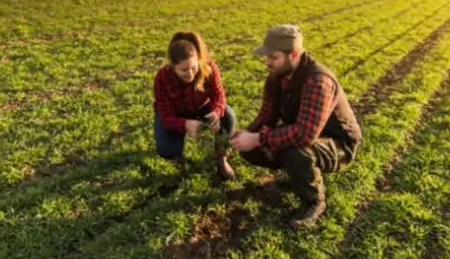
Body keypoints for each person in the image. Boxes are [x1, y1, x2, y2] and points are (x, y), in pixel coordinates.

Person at [230, 24, 362, 228]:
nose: (267, 63)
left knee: (295, 150)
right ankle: (296, 176)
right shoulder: (276, 78)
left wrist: (258, 138)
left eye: (273, 57)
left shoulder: (318, 81)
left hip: (338, 144)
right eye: (267, 57)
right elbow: (266, 115)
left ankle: (314, 202)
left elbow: (304, 134)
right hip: (304, 135)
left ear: (292, 55)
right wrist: (245, 134)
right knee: (252, 149)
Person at [153, 30, 237, 179]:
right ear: (173, 65)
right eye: (184, 70)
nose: (190, 74)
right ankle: (177, 160)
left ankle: (221, 158)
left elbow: (219, 94)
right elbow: (166, 116)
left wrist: (216, 112)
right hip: (176, 113)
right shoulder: (162, 78)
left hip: (202, 107)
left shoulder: (209, 66)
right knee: (167, 149)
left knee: (228, 115)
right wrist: (185, 124)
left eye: (193, 67)